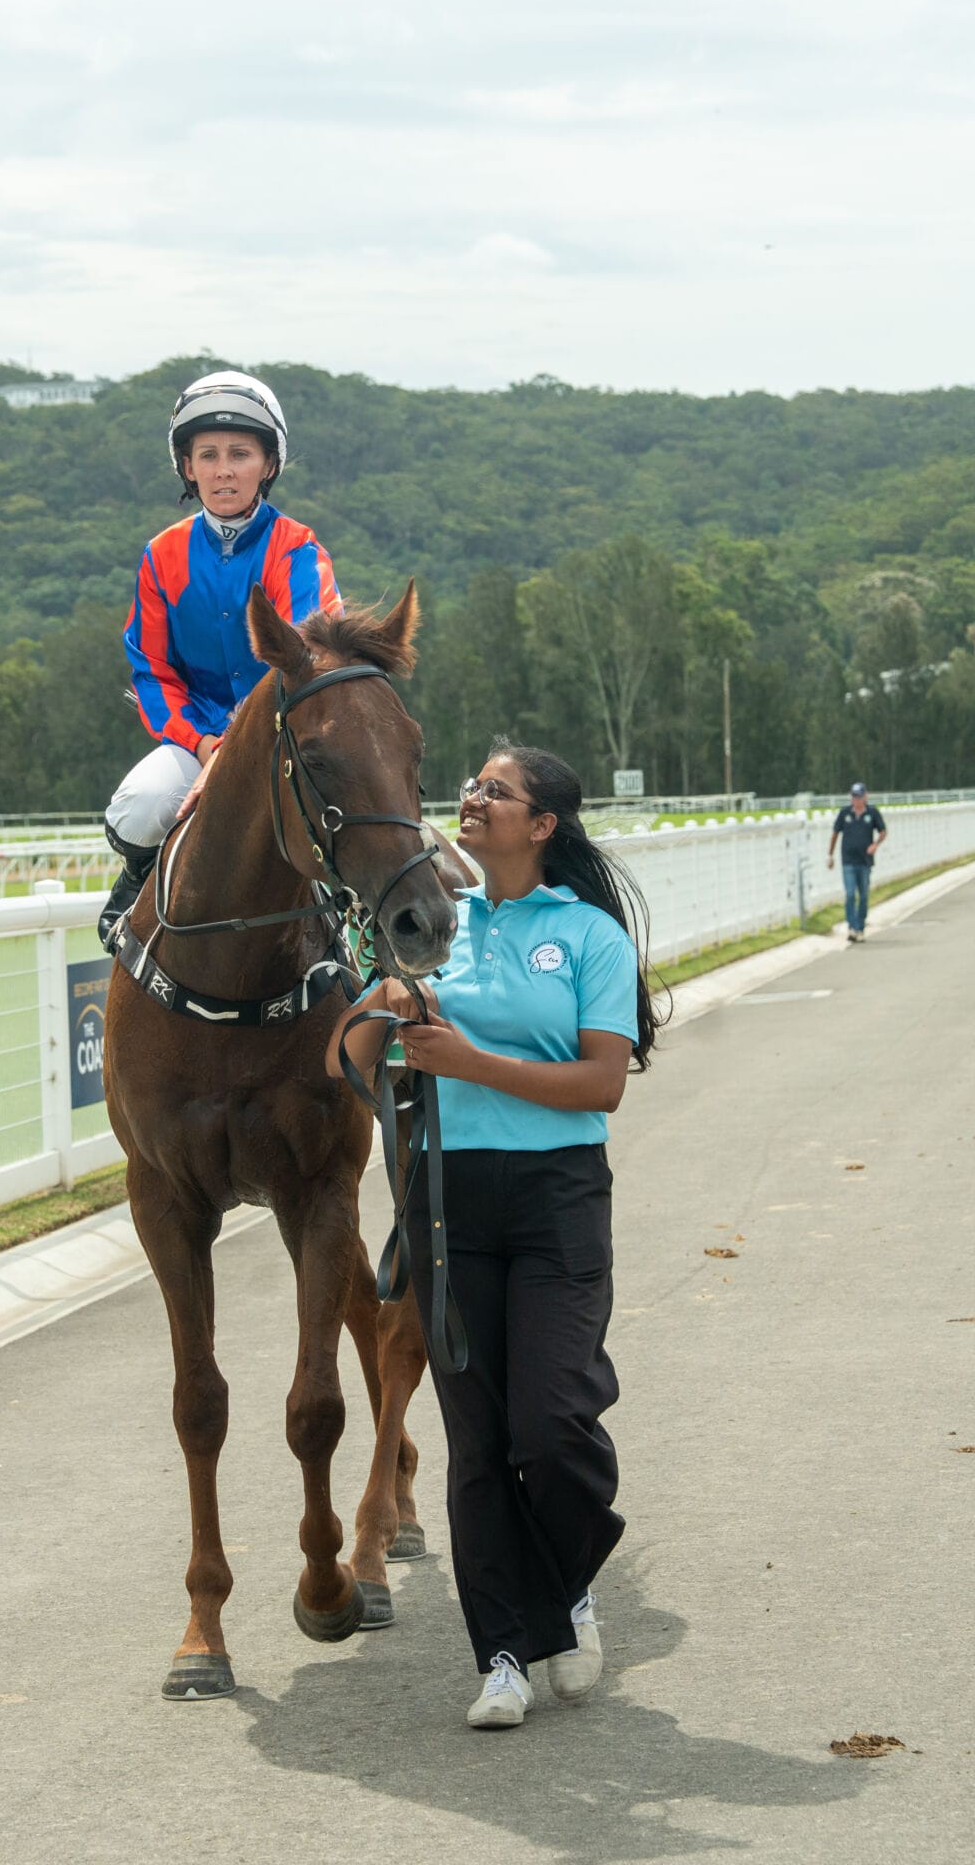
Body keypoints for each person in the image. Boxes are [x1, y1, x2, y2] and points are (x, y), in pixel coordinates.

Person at [327, 740, 658, 1730]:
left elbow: (602, 1083)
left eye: (495, 791)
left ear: (542, 825)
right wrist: (383, 1004)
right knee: (476, 1440)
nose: (471, 798)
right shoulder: (431, 925)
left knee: (551, 1426)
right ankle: (503, 1656)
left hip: (558, 1198)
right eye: (471, 785)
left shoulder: (589, 935)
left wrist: (470, 1063)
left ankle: (568, 1578)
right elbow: (348, 1059)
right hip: (448, 1201)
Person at [98, 370, 343, 949]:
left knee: (352, 811)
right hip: (197, 740)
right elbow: (152, 670)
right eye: (208, 455)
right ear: (188, 467)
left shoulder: (297, 549)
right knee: (140, 807)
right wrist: (206, 745)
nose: (223, 470)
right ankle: (137, 889)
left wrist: (241, 743)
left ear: (268, 464)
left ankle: (365, 932)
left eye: (240, 454)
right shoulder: (160, 556)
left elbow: (304, 655)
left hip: (286, 736)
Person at [827, 782, 887, 943]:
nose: (856, 800)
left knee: (864, 895)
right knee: (850, 894)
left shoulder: (872, 813)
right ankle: (852, 927)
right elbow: (835, 833)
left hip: (865, 861)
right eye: (854, 797)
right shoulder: (845, 813)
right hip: (848, 860)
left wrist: (875, 845)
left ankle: (860, 926)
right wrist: (830, 855)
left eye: (859, 797)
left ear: (865, 797)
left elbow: (883, 831)